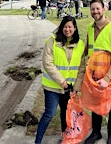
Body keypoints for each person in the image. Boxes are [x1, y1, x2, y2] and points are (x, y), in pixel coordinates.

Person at [75, 0, 111, 144]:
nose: (95, 12)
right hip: (94, 76)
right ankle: (96, 133)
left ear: (104, 9)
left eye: (97, 8)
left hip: (110, 77)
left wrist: (107, 79)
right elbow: (87, 50)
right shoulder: (90, 28)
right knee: (95, 105)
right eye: (92, 9)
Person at [34, 16, 85, 144]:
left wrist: (76, 88)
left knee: (66, 114)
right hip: (52, 86)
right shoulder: (51, 41)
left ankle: (65, 139)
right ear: (61, 27)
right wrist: (61, 81)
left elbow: (81, 68)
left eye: (70, 27)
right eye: (65, 27)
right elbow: (47, 63)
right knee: (49, 114)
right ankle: (38, 141)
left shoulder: (80, 44)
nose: (67, 29)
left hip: (69, 87)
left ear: (75, 28)